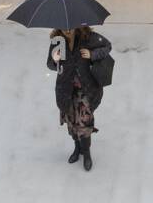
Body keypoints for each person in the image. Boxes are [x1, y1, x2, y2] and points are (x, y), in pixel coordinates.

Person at [46, 26, 113, 171]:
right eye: (64, 29)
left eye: (70, 28)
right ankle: (77, 148)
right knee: (71, 122)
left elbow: (107, 46)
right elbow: (51, 65)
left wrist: (92, 54)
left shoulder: (87, 37)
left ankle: (87, 153)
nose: (67, 31)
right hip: (66, 89)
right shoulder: (58, 41)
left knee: (84, 122)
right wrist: (54, 60)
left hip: (85, 89)